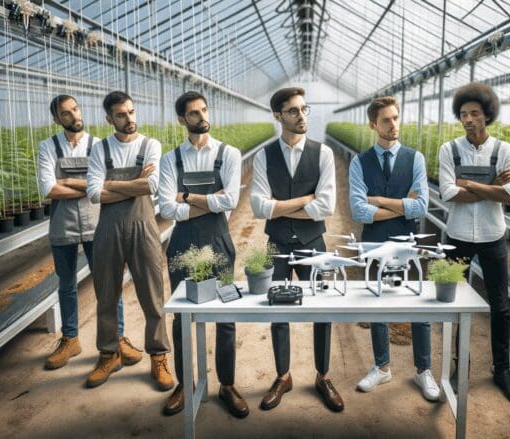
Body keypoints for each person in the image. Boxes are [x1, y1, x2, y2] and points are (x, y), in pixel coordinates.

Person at [250, 87, 343, 412]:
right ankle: (283, 376)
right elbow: (258, 207)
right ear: (278, 116)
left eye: (304, 109)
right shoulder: (264, 155)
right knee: (277, 310)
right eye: (293, 111)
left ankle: (323, 375)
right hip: (276, 244)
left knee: (323, 310)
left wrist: (280, 206)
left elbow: (327, 205)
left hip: (313, 244)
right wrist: (304, 201)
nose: (302, 116)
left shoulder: (323, 153)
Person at [158, 91, 248, 417]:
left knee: (226, 312)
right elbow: (167, 208)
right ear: (182, 120)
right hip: (182, 244)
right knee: (183, 313)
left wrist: (186, 196)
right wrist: (207, 201)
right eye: (193, 113)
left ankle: (227, 384)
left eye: (204, 110)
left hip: (219, 242)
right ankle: (186, 383)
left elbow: (231, 202)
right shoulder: (171, 160)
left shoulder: (229, 154)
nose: (201, 116)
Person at [36, 95, 141, 371]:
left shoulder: (99, 146)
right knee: (67, 284)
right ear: (57, 119)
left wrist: (69, 181)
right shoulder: (47, 147)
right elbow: (49, 189)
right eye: (66, 113)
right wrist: (89, 186)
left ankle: (117, 338)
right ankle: (70, 339)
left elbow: (105, 184)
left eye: (75, 109)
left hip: (98, 225)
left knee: (109, 284)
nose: (74, 115)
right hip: (62, 225)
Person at [438, 82, 510, 405]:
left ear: (487, 115)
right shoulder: (450, 149)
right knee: (453, 303)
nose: (468, 119)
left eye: (475, 113)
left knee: (500, 305)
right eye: (463, 114)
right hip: (456, 235)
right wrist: (491, 185)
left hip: (492, 236)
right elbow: (448, 193)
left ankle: (502, 369)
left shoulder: (505, 150)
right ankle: (460, 366)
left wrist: (470, 183)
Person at [348, 96, 438, 402]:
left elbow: (422, 206)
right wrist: (403, 206)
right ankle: (382, 367)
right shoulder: (360, 161)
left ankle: (423, 370)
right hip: (374, 242)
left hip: (408, 241)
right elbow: (359, 211)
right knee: (378, 305)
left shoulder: (415, 159)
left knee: (418, 306)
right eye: (386, 120)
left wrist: (380, 201)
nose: (393, 124)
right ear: (373, 124)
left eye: (396, 118)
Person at [85, 91, 173, 390]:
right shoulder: (100, 149)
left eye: (132, 112)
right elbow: (95, 194)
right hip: (108, 229)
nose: (129, 118)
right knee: (106, 295)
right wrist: (132, 184)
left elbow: (151, 186)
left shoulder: (151, 145)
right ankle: (109, 353)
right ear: (110, 119)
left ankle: (158, 356)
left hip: (143, 226)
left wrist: (112, 184)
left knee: (152, 295)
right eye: (122, 114)